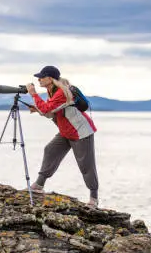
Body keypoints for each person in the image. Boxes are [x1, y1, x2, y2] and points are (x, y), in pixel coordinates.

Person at [25, 65, 99, 207]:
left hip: (81, 132)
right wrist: (38, 109)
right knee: (50, 150)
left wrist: (33, 94)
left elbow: (47, 108)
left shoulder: (61, 92)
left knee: (86, 165)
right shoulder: (51, 90)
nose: (38, 79)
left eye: (41, 76)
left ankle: (94, 199)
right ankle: (39, 185)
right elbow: (52, 110)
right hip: (66, 131)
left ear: (50, 78)